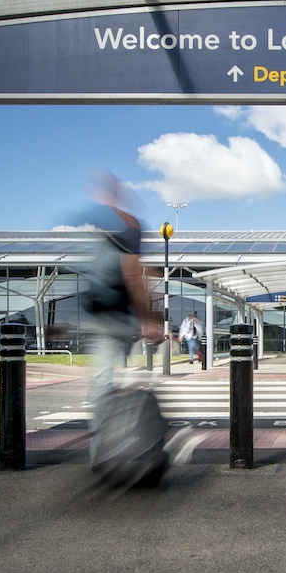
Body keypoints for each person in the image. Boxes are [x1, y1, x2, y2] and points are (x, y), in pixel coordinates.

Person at [80, 173, 164, 408]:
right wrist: (150, 317)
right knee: (109, 381)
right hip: (110, 317)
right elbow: (135, 272)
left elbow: (133, 272)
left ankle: (108, 432)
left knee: (104, 382)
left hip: (108, 317)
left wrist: (149, 317)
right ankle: (118, 426)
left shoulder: (119, 228)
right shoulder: (126, 227)